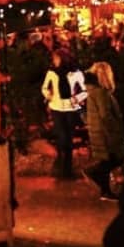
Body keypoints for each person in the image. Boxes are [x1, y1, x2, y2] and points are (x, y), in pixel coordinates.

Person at [81, 64, 124, 200]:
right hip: (106, 133)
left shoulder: (94, 91)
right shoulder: (101, 92)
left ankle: (105, 190)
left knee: (108, 161)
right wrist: (114, 130)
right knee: (112, 160)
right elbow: (105, 115)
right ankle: (102, 185)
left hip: (99, 131)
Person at [41, 50, 86, 179]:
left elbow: (84, 90)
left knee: (69, 137)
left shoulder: (75, 73)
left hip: (71, 107)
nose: (54, 61)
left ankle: (67, 167)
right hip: (56, 107)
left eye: (56, 59)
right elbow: (44, 87)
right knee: (62, 136)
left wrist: (77, 98)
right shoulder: (52, 73)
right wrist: (48, 95)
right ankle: (61, 165)